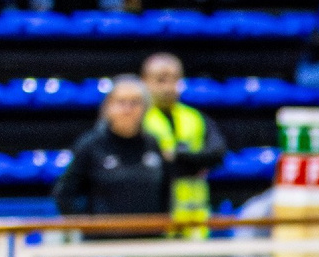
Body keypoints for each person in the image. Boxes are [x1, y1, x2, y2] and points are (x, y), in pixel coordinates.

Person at [53, 77, 172, 222]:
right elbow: (64, 193)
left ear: (146, 108)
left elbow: (166, 191)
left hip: (150, 233)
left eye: (135, 102)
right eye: (121, 102)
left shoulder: (152, 143)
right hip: (105, 234)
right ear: (108, 107)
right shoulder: (91, 144)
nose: (128, 109)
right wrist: (85, 226)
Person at [140, 53, 227, 234]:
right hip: (156, 219)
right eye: (161, 80)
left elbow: (217, 154)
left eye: (175, 80)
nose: (168, 87)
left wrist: (176, 156)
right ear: (145, 81)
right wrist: (194, 162)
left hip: (196, 220)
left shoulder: (195, 117)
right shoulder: (138, 119)